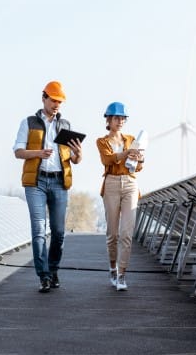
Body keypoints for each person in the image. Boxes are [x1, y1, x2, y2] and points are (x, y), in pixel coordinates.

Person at [14, 81, 83, 293]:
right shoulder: (29, 123)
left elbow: (74, 159)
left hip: (59, 182)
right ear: (44, 98)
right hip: (36, 182)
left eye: (60, 101)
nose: (57, 105)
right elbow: (18, 151)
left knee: (59, 232)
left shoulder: (66, 126)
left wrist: (78, 154)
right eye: (53, 100)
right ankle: (43, 276)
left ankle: (53, 270)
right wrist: (38, 153)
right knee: (38, 230)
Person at [95, 102, 143, 291]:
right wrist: (126, 153)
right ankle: (113, 267)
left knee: (126, 233)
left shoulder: (131, 139)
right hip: (111, 184)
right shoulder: (102, 141)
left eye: (123, 118)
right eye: (117, 118)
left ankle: (122, 274)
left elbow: (138, 167)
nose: (120, 121)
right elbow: (107, 160)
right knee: (113, 234)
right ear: (108, 119)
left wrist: (138, 159)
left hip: (130, 183)